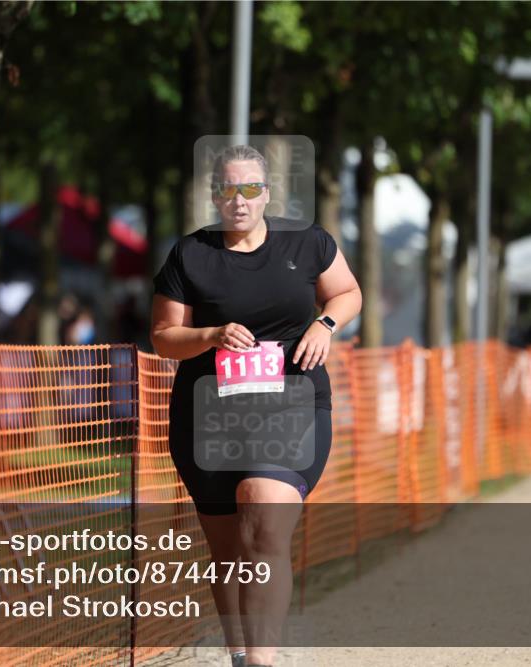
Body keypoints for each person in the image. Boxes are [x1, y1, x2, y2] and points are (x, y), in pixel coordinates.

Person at [150, 144, 362, 667]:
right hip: (209, 413)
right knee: (227, 552)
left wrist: (325, 324)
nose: (238, 200)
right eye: (227, 189)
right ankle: (241, 655)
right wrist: (211, 335)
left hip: (292, 404)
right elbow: (163, 337)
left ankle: (262, 661)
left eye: (250, 188)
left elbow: (349, 293)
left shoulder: (307, 243)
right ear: (214, 194)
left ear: (267, 193)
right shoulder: (190, 255)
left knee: (263, 518)